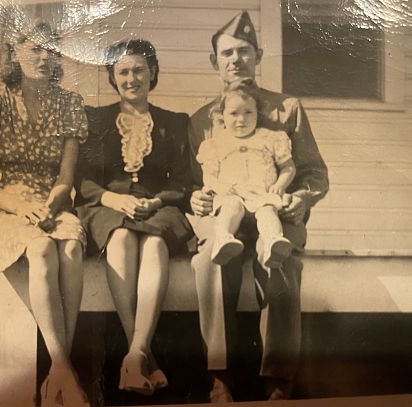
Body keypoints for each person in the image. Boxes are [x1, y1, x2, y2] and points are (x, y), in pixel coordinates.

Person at [188, 11, 329, 401]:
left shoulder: (287, 109)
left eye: (244, 51)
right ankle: (220, 378)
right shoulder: (201, 120)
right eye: (227, 53)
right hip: (227, 214)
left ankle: (278, 382)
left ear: (258, 56)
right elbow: (195, 180)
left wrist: (301, 198)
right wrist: (196, 196)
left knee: (281, 261)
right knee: (209, 262)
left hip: (274, 212)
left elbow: (314, 173)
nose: (236, 60)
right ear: (214, 61)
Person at [0, 21, 89, 407]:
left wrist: (52, 204)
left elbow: (66, 178)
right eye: (34, 49)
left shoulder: (69, 104)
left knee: (71, 244)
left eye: (50, 50)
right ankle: (64, 370)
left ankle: (58, 373)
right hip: (9, 206)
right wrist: (22, 207)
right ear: (15, 52)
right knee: (41, 249)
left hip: (52, 202)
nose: (43, 57)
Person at [75, 39, 193, 396]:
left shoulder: (175, 122)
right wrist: (113, 198)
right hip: (107, 207)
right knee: (122, 238)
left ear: (153, 72)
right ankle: (141, 354)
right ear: (112, 77)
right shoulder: (95, 120)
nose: (132, 78)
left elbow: (183, 181)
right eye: (123, 71)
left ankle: (135, 353)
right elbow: (83, 178)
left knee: (155, 244)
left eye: (139, 70)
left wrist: (156, 200)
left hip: (158, 208)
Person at [197, 82, 296, 268]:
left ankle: (273, 243)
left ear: (258, 113)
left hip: (262, 195)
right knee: (231, 207)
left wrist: (280, 185)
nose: (241, 119)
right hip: (232, 194)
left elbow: (288, 167)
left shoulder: (270, 138)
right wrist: (221, 188)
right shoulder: (216, 144)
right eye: (234, 113)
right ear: (222, 115)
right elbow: (209, 175)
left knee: (268, 211)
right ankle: (224, 239)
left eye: (248, 112)